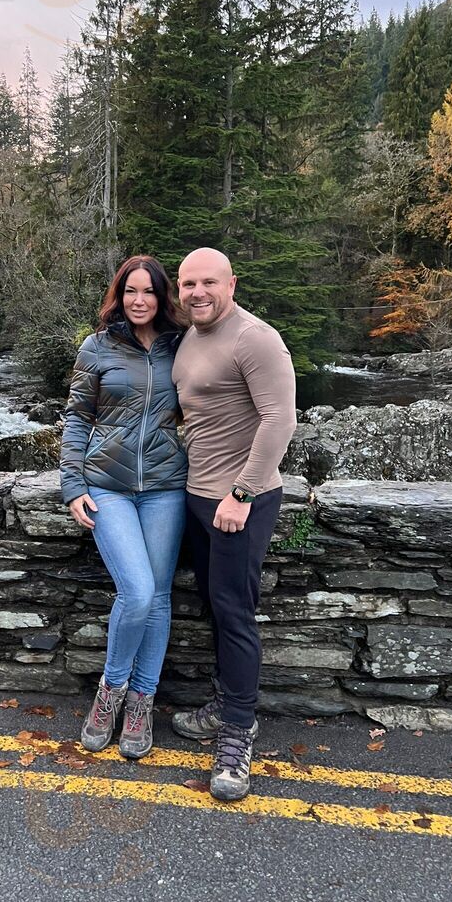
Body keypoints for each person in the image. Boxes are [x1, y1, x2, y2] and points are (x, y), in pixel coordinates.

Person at [171, 247, 297, 801]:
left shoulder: (255, 338)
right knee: (213, 605)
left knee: (235, 613)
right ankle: (225, 703)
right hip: (197, 498)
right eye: (188, 283)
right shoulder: (190, 338)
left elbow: (280, 419)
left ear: (231, 284)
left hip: (239, 503)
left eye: (208, 282)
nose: (197, 292)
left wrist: (242, 493)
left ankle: (238, 734)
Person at [60, 255, 187, 759]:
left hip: (166, 486)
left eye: (148, 291)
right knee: (136, 592)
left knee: (158, 598)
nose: (139, 300)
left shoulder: (182, 345)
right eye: (130, 291)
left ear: (162, 297)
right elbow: (76, 417)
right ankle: (110, 692)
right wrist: (72, 484)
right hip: (107, 485)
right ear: (119, 295)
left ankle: (141, 702)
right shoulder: (97, 347)